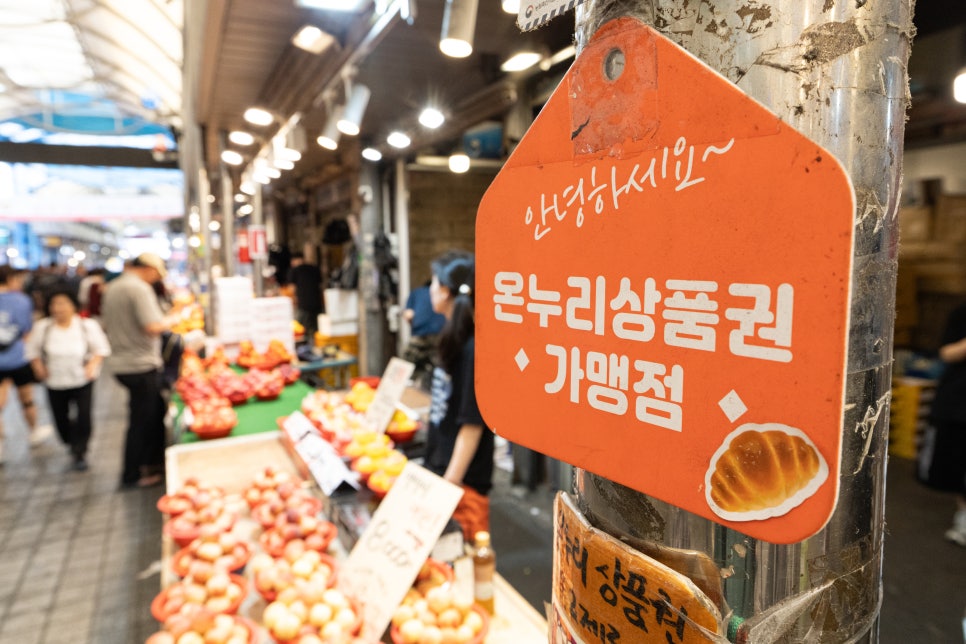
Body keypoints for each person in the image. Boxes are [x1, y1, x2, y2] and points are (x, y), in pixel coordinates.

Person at [424, 250, 494, 541]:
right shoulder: (455, 336)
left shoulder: (474, 349)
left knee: (466, 555)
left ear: (444, 291)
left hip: (461, 482)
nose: (429, 289)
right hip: (443, 469)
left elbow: (472, 425)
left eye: (432, 282)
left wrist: (449, 486)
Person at [100, 252, 175, 488]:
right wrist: (173, 319)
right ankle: (132, 474)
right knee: (143, 420)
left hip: (122, 362)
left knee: (149, 414)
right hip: (139, 363)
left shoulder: (114, 286)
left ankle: (150, 464)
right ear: (149, 269)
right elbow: (152, 326)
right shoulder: (139, 289)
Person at [25, 290, 111, 471]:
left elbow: (101, 348)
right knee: (60, 418)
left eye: (63, 303)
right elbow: (32, 350)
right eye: (54, 304)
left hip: (82, 379)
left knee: (84, 416)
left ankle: (80, 451)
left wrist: (92, 365)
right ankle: (71, 442)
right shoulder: (43, 327)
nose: (58, 308)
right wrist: (39, 367)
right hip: (55, 380)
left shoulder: (86, 326)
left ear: (73, 305)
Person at [922, 302, 966, 546]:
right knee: (957, 465)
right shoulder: (961, 312)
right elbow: (947, 353)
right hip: (958, 403)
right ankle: (964, 519)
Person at [0, 265, 54, 462]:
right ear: (11, 279)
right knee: (26, 398)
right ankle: (34, 431)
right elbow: (27, 329)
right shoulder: (21, 300)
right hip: (18, 357)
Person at [402, 281, 446, 388]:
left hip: (421, 335)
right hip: (441, 336)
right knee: (441, 370)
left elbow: (408, 315)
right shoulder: (443, 293)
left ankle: (403, 389)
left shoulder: (416, 293)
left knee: (406, 370)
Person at [287, 252, 323, 340]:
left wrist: (294, 300)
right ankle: (315, 342)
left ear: (294, 260)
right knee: (316, 328)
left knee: (299, 329)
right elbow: (320, 285)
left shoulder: (294, 271)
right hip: (316, 302)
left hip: (303, 304)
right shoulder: (314, 268)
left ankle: (305, 344)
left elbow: (292, 289)